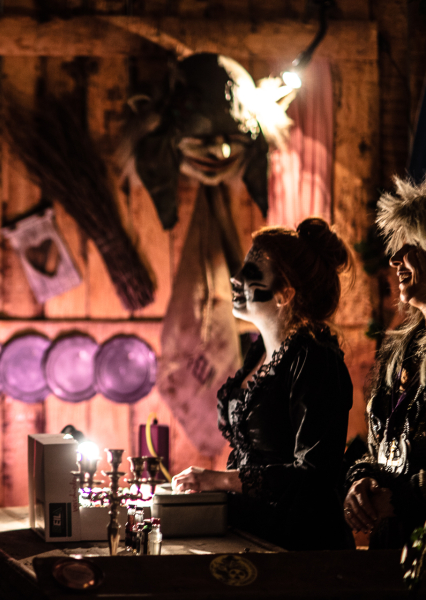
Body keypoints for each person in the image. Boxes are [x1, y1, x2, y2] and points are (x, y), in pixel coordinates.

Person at [172, 217, 354, 550]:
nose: (235, 278)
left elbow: (314, 476)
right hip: (251, 533)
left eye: (251, 272)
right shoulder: (258, 352)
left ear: (285, 293)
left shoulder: (315, 360)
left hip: (301, 547)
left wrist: (219, 480)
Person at [345, 177, 426, 549]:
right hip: (390, 553)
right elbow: (379, 448)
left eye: (410, 246)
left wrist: (401, 498)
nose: (395, 259)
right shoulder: (399, 350)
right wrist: (362, 480)